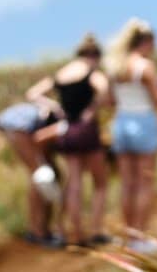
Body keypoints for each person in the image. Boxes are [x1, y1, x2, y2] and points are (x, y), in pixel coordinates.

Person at [29, 34, 113, 248]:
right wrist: (92, 109)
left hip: (67, 130)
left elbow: (33, 93)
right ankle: (96, 230)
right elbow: (104, 91)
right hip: (86, 131)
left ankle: (74, 232)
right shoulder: (91, 73)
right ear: (96, 56)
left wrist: (55, 107)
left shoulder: (62, 73)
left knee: (74, 182)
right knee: (100, 182)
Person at [107, 18, 157, 253]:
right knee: (144, 183)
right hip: (143, 121)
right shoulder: (145, 67)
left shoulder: (115, 67)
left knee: (127, 184)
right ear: (146, 42)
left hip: (121, 122)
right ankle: (139, 237)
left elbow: (110, 100)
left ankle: (128, 235)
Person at [0, 101, 61, 247]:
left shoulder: (58, 118)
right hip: (20, 126)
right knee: (41, 175)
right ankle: (38, 232)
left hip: (18, 123)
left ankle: (39, 229)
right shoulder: (64, 125)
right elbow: (40, 138)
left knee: (42, 173)